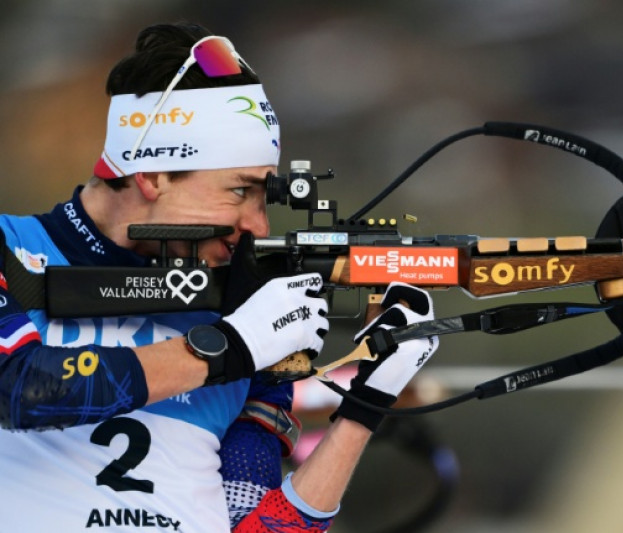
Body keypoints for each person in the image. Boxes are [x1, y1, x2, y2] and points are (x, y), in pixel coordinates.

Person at [0, 22, 439, 532]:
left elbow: (259, 524)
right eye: (238, 192)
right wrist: (226, 348)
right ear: (153, 173)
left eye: (264, 197)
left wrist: (367, 403)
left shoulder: (243, 307)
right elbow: (19, 389)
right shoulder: (10, 248)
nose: (258, 226)